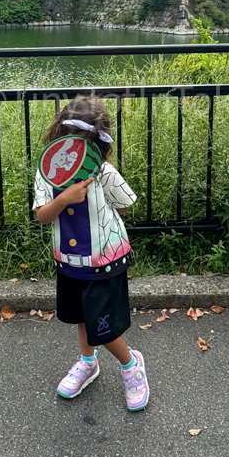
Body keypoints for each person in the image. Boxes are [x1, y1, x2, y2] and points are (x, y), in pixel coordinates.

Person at [33, 95, 150, 411]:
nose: (76, 153)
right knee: (81, 316)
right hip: (69, 261)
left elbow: (124, 204)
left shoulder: (105, 172)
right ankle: (88, 363)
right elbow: (43, 215)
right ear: (59, 136)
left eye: (86, 145)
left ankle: (130, 365)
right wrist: (66, 198)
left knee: (103, 323)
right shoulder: (47, 174)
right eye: (71, 142)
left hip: (105, 260)